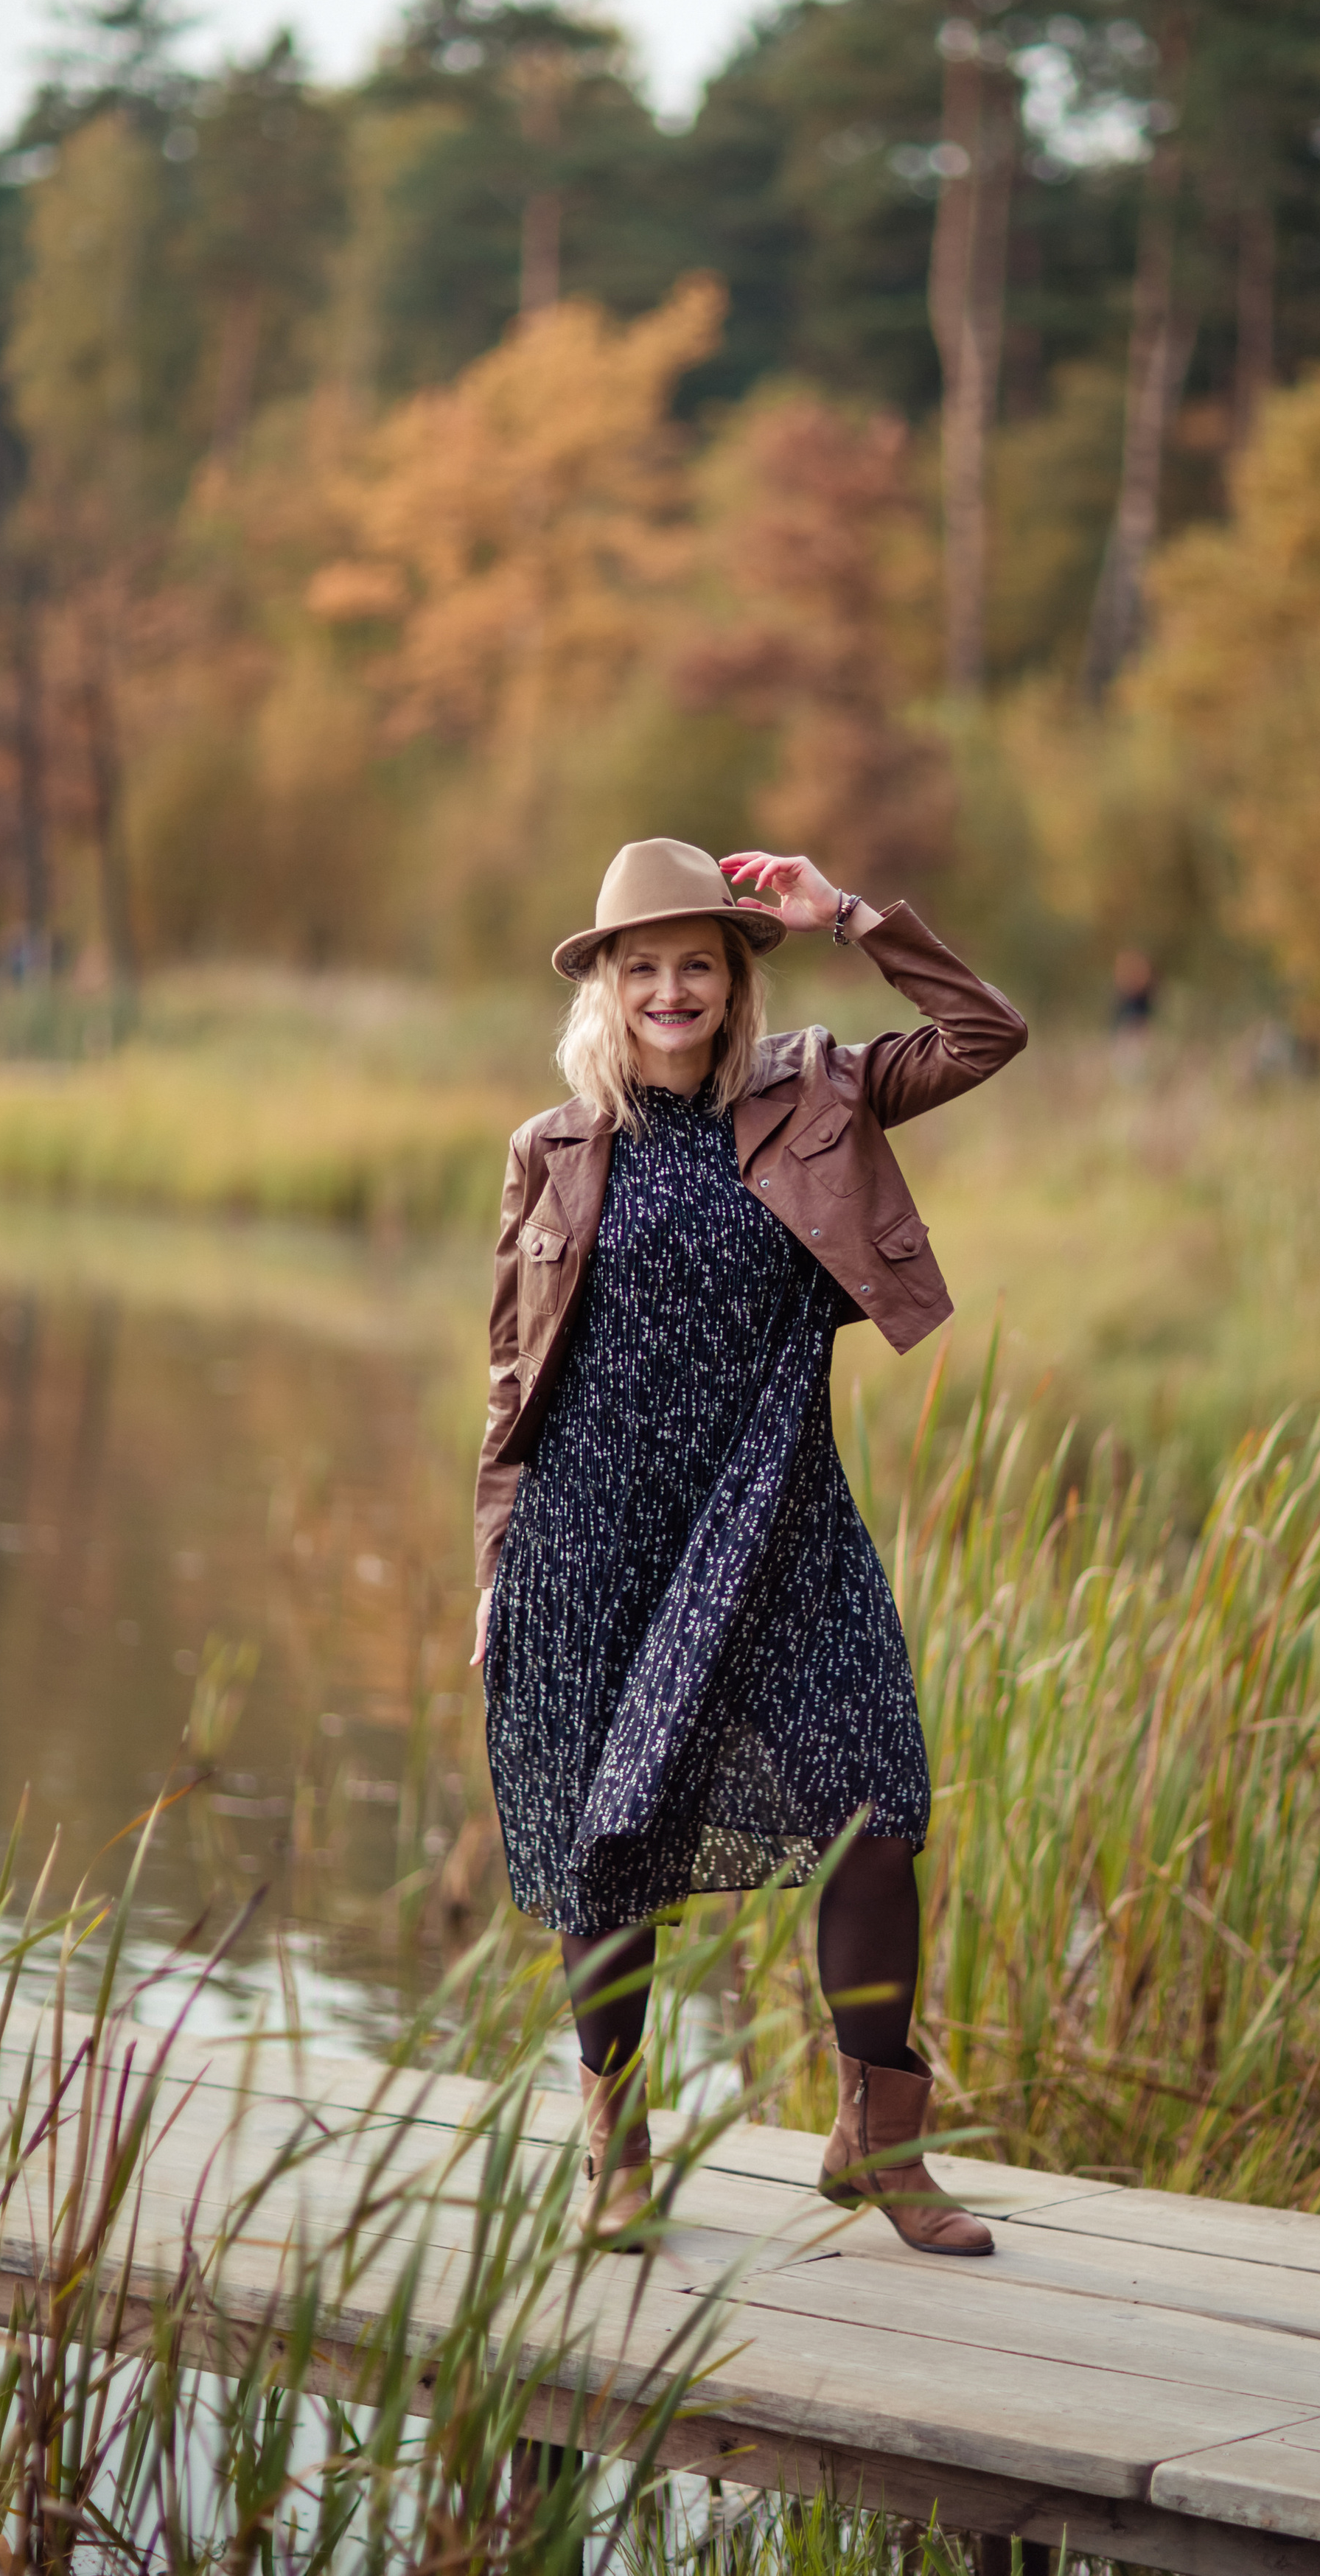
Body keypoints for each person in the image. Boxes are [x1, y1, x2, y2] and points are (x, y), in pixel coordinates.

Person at [472, 838, 1027, 2252]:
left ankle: (878, 2145)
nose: (672, 988)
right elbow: (510, 1381)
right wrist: (496, 1571)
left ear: (733, 982)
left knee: (875, 1806)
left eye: (698, 965)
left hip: (779, 1512)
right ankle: (619, 2150)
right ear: (607, 983)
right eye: (643, 965)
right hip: (593, 1532)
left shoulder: (821, 1096)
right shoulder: (551, 1148)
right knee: (611, 1846)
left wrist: (843, 916)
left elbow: (987, 1034)